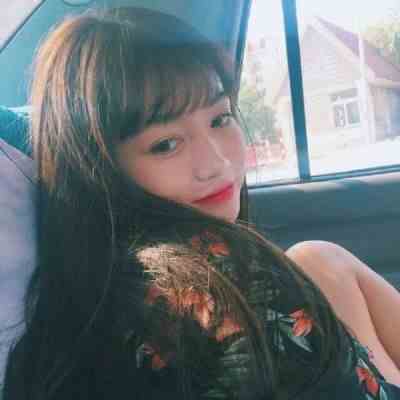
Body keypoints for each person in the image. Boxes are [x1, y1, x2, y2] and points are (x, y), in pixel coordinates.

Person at [2, 7, 400, 400]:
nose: (216, 162)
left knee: (319, 258)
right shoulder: (217, 280)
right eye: (165, 144)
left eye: (220, 119)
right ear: (99, 169)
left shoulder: (79, 290)